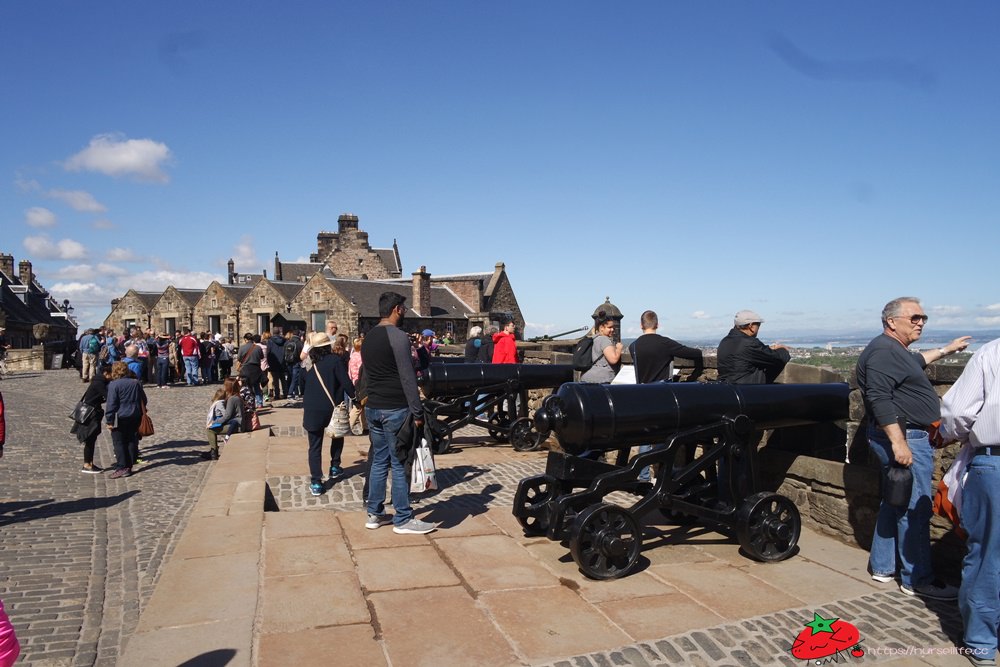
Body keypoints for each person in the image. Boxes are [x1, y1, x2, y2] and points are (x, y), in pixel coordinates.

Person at [856, 296, 971, 600]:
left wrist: (947, 349)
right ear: (891, 322)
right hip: (906, 437)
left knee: (894, 499)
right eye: (915, 317)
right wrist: (899, 442)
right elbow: (880, 399)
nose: (921, 322)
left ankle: (882, 566)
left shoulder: (896, 350)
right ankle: (917, 578)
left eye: (924, 318)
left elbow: (917, 362)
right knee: (915, 507)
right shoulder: (883, 352)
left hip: (902, 435)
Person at [938, 338, 999, 665]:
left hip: (995, 462)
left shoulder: (992, 353)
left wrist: (955, 433)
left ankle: (981, 642)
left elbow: (958, 412)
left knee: (989, 553)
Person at [361, 292, 437, 535]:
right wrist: (417, 411)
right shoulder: (399, 337)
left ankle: (374, 513)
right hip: (395, 408)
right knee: (399, 461)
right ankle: (403, 518)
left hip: (373, 407)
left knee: (379, 461)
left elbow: (366, 374)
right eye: (403, 307)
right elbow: (407, 377)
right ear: (396, 309)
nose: (405, 311)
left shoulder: (368, 337)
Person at [630, 310, 704, 481]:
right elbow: (691, 353)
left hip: (642, 390)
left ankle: (643, 475)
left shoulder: (634, 345)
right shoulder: (664, 343)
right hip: (662, 391)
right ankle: (666, 472)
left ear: (642, 325)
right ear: (657, 324)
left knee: (646, 436)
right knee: (666, 433)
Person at [302, 332, 355, 496]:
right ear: (327, 346)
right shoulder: (335, 361)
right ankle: (334, 466)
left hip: (312, 407)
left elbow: (301, 385)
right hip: (332, 406)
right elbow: (345, 382)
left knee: (315, 446)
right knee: (337, 436)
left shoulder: (307, 363)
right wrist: (354, 397)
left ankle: (316, 481)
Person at [717, 310, 790, 384]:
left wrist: (770, 348)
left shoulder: (725, 341)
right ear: (751, 326)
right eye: (758, 325)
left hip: (727, 386)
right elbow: (778, 359)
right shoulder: (749, 343)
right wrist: (783, 349)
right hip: (747, 390)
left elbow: (746, 352)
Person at [105, 360, 148, 478]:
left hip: (120, 417)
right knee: (131, 440)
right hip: (135, 415)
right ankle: (129, 465)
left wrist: (109, 420)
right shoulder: (136, 382)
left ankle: (122, 467)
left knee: (119, 443)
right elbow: (144, 399)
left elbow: (111, 404)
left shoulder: (114, 385)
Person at [72, 364, 112, 473]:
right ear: (106, 373)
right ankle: (87, 465)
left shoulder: (99, 380)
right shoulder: (99, 383)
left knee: (92, 439)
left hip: (93, 411)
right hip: (90, 413)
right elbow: (108, 396)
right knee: (90, 439)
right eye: (111, 375)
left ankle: (89, 463)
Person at [202, 382, 242, 461]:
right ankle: (213, 450)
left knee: (210, 430)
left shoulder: (232, 399)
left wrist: (214, 422)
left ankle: (213, 453)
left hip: (236, 425)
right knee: (212, 428)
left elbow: (227, 416)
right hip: (236, 422)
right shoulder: (235, 397)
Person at [580, 314, 622, 383]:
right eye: (609, 327)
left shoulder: (594, 339)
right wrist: (619, 349)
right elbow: (613, 359)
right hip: (601, 379)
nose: (612, 329)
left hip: (587, 377)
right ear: (602, 327)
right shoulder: (604, 340)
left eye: (613, 327)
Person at [237, 333, 265, 407]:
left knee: (247, 386)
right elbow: (262, 357)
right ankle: (259, 403)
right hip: (256, 368)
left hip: (245, 368)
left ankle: (249, 402)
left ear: (246, 339)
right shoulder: (258, 347)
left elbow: (239, 358)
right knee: (256, 386)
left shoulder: (242, 348)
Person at [348, 336, 366, 435]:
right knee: (358, 406)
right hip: (360, 383)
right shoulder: (360, 357)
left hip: (356, 382)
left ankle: (365, 426)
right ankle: (349, 425)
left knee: (363, 405)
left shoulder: (353, 355)